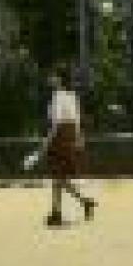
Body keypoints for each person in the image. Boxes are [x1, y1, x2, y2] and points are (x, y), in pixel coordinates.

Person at [31, 69, 96, 228]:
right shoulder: (72, 96)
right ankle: (76, 204)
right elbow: (77, 120)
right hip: (70, 136)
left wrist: (47, 141)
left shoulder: (57, 96)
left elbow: (56, 122)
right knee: (59, 177)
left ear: (59, 79)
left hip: (61, 136)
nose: (50, 78)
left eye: (53, 76)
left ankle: (59, 212)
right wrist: (79, 137)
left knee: (58, 176)